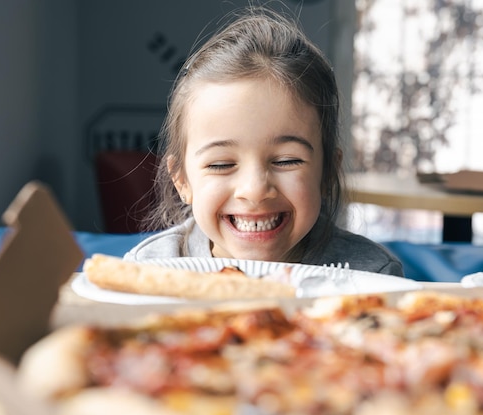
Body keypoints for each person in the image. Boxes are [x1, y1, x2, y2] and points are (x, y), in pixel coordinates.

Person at [124, 6, 404, 277]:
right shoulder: (147, 271)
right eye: (221, 164)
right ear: (182, 181)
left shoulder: (372, 277)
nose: (255, 190)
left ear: (327, 172)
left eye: (286, 160)